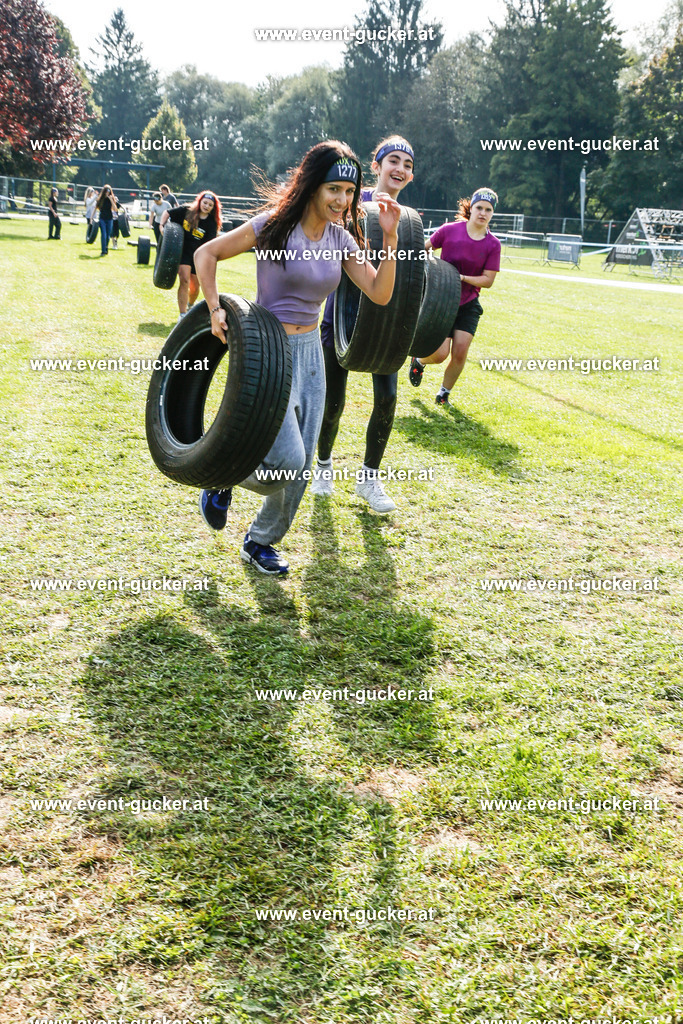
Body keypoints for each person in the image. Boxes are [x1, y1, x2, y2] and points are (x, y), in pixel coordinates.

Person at [194, 140, 401, 575]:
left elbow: (380, 293)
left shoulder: (340, 239)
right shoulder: (273, 227)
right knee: (287, 462)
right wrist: (214, 309)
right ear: (312, 187)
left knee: (302, 467)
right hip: (268, 350)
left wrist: (393, 236)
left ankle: (259, 541)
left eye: (349, 191)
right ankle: (221, 474)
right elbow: (205, 253)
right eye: (334, 190)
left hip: (311, 355)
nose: (342, 200)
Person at [311, 135, 415, 512]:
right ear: (377, 166)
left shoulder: (409, 220)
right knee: (333, 402)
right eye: (393, 161)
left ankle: (369, 478)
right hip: (342, 312)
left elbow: (411, 277)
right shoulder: (351, 202)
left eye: (407, 164)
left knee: (387, 397)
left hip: (385, 319)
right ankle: (323, 466)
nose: (400, 169)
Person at [409, 187, 501, 406]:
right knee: (440, 354)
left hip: (468, 303)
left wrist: (461, 278)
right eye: (479, 207)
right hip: (441, 300)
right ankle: (419, 361)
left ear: (492, 213)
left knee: (460, 353)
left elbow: (487, 280)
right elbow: (424, 249)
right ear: (472, 207)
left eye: (488, 210)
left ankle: (443, 394)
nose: (483, 213)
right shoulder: (449, 230)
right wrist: (428, 268)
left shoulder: (493, 244)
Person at [160, 191, 222, 319]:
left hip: (199, 255)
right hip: (183, 251)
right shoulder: (186, 211)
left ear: (213, 208)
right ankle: (182, 314)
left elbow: (210, 245)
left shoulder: (211, 223)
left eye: (210, 205)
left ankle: (190, 304)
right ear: (200, 202)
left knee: (195, 287)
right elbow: (168, 213)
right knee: (184, 280)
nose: (206, 206)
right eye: (205, 202)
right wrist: (161, 226)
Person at [95, 184, 118, 256]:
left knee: (108, 236)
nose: (107, 192)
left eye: (109, 191)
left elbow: (115, 209)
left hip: (109, 219)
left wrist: (111, 199)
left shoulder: (111, 199)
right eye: (106, 191)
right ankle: (103, 250)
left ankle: (106, 248)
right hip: (102, 218)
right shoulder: (101, 199)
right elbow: (97, 207)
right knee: (104, 235)